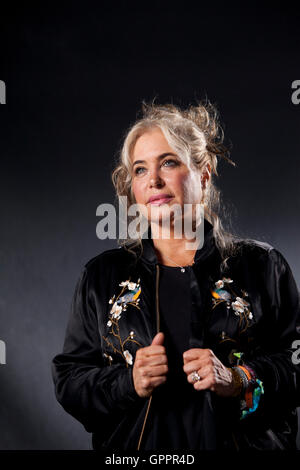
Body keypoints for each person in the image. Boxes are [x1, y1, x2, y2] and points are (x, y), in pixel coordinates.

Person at [52, 100, 300, 450]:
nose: (153, 180)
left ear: (204, 173)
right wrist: (130, 383)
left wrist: (236, 379)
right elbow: (70, 380)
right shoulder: (102, 276)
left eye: (168, 162)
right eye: (139, 170)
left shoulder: (262, 266)